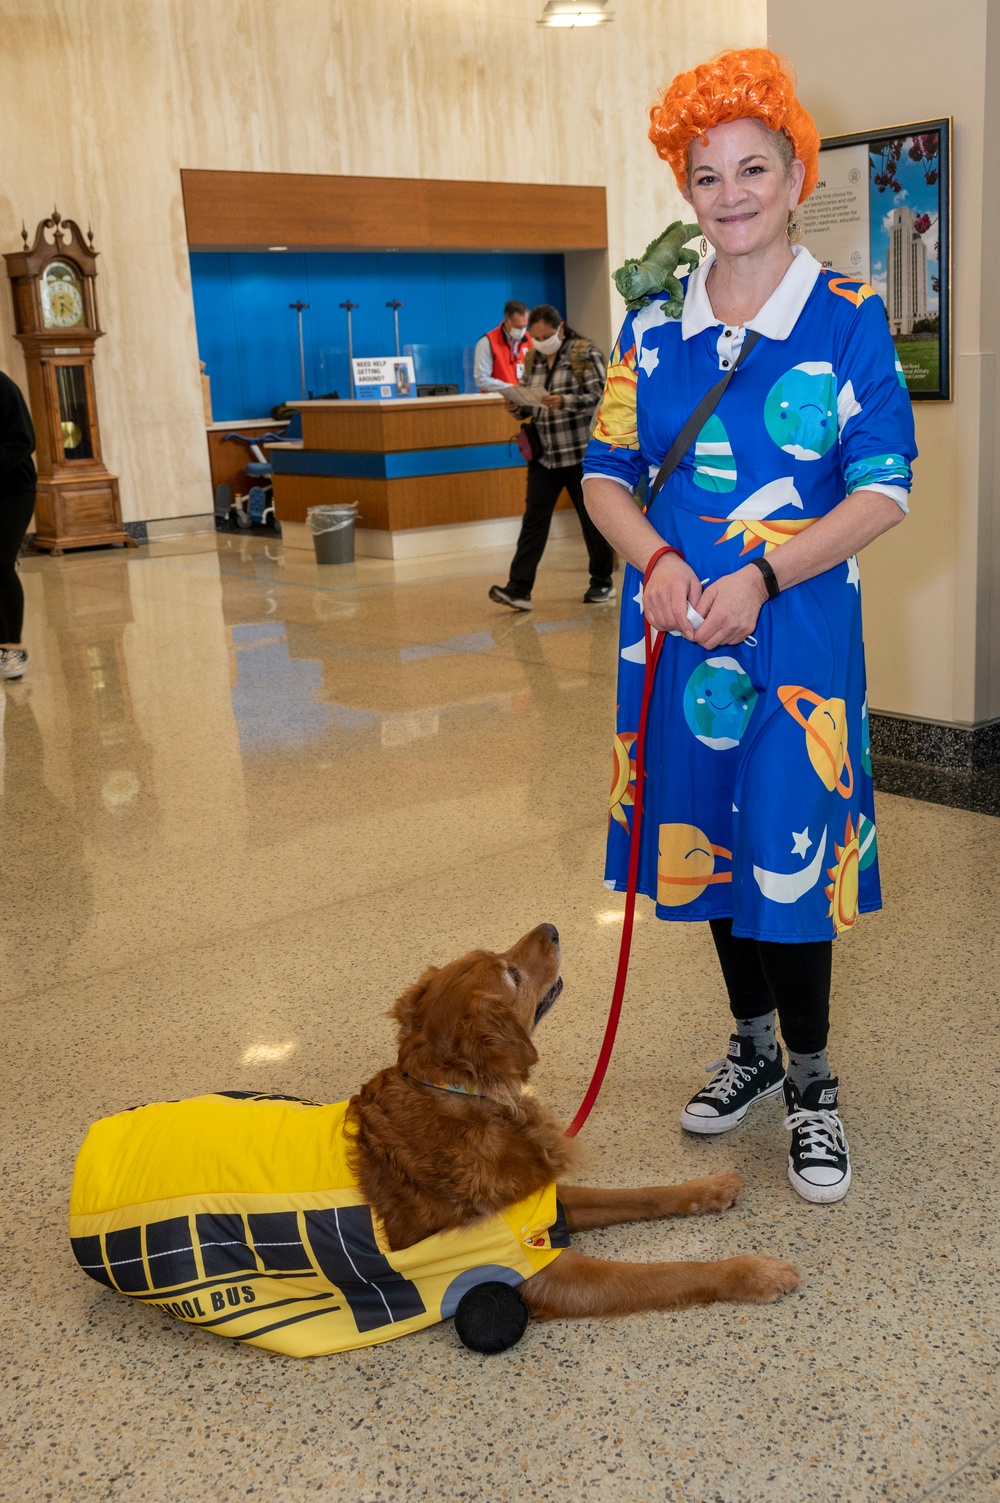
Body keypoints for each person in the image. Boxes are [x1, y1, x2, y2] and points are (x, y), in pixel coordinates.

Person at [581, 49, 916, 1203]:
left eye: (751, 169)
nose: (728, 193)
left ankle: (812, 1081)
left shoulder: (846, 319)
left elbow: (882, 487)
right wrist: (660, 560)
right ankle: (751, 1048)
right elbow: (604, 476)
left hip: (795, 633)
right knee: (713, 845)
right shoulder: (649, 330)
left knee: (786, 845)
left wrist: (764, 580)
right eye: (704, 172)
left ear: (791, 176)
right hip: (674, 634)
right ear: (687, 187)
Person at [489, 304, 615, 610]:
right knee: (534, 520)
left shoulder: (584, 354)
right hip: (545, 456)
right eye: (536, 337)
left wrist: (565, 401)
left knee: (592, 519)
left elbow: (603, 397)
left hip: (581, 454)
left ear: (560, 329)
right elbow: (531, 402)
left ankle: (602, 582)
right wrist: (517, 405)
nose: (541, 341)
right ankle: (519, 588)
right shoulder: (533, 360)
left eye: (546, 335)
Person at [0, 369, 37, 681]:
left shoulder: (2, 386)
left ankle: (13, 648)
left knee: (0, 564)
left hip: (13, 490)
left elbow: (24, 440)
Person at [474, 301, 532, 392]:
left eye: (524, 326)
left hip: (526, 401)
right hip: (497, 402)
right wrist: (512, 389)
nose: (522, 331)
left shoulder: (531, 339)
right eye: (518, 327)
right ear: (506, 320)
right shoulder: (487, 342)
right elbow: (482, 380)